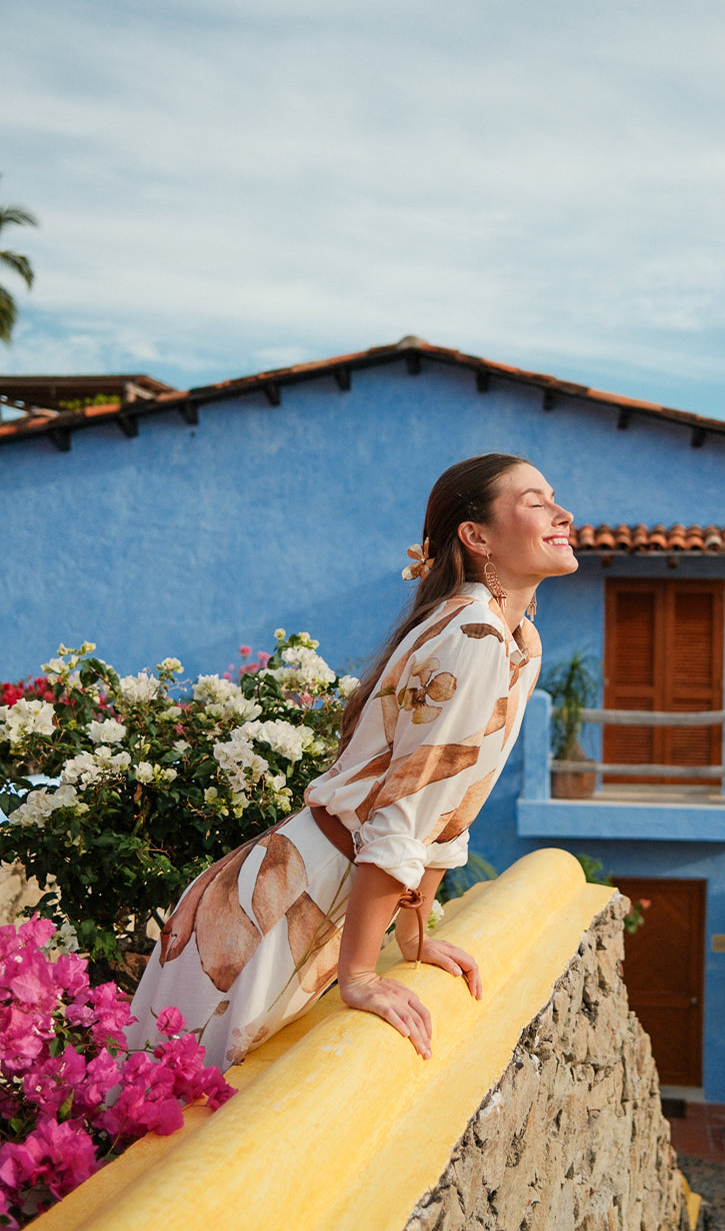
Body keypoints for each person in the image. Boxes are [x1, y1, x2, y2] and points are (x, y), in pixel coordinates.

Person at [128, 453, 577, 1070]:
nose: (562, 513)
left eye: (554, 498)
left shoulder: (518, 641)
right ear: (476, 537)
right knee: (176, 1082)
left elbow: (451, 804)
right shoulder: (473, 634)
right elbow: (407, 807)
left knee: (186, 1079)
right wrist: (360, 973)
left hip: (329, 887)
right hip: (288, 897)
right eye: (536, 502)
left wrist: (414, 935)